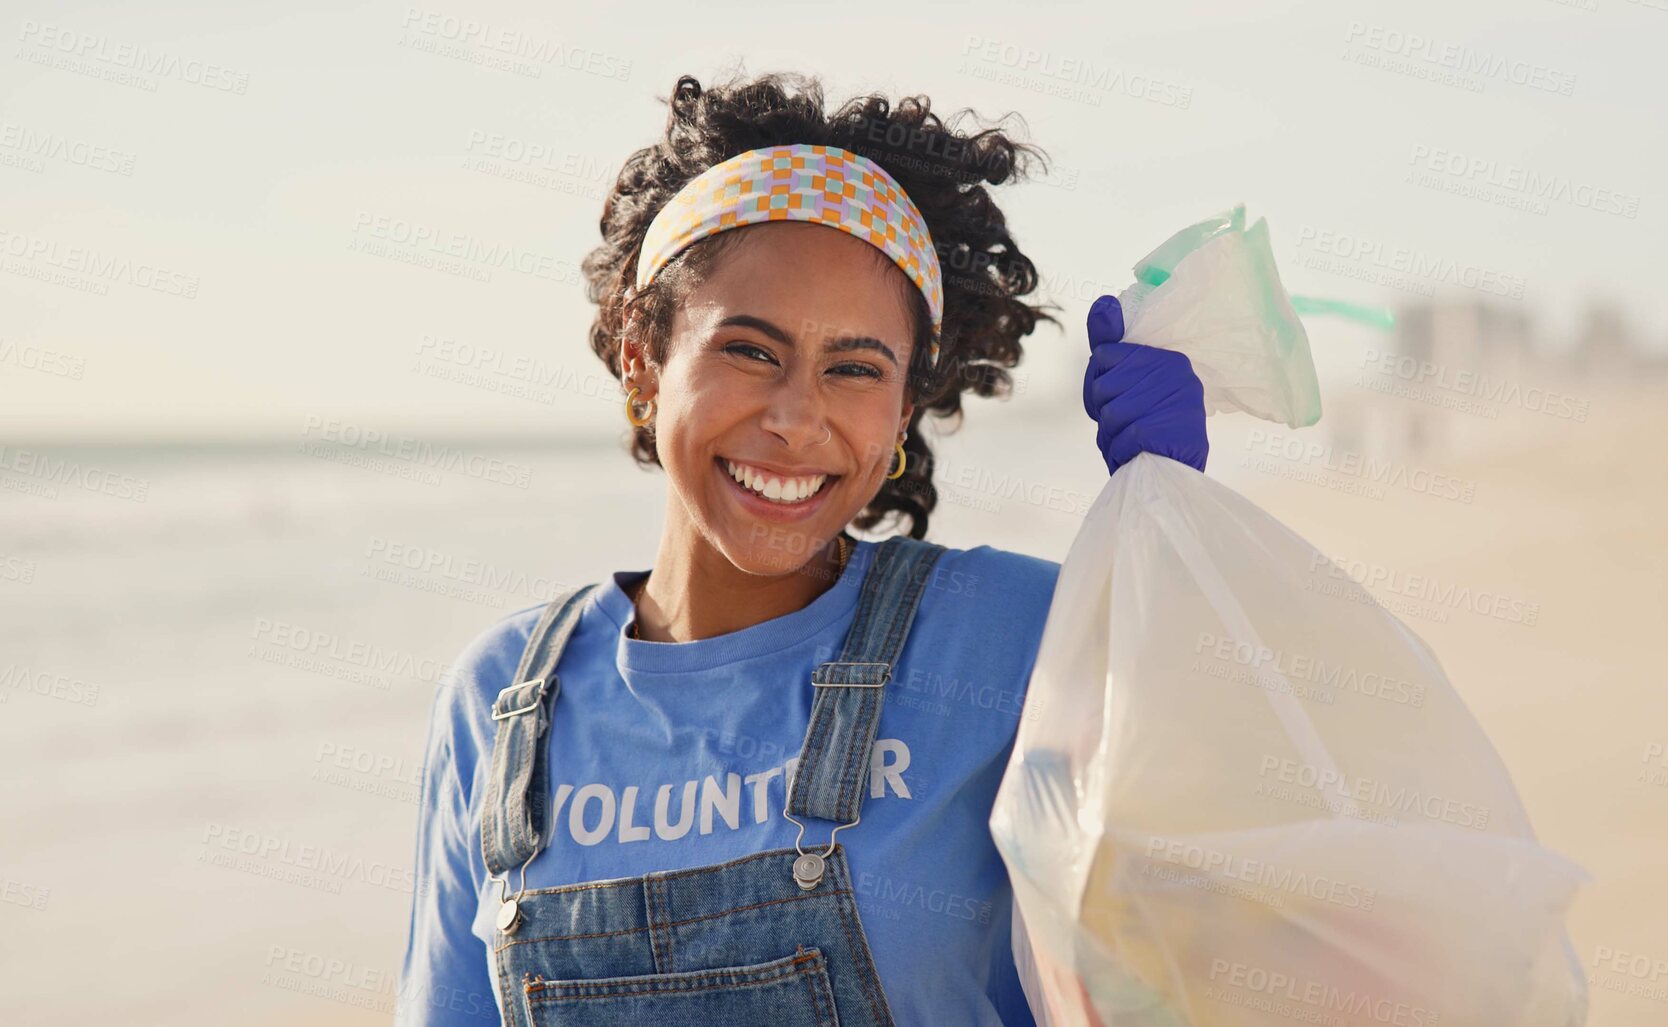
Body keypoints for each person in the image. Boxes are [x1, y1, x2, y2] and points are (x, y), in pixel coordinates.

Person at [395, 70, 1208, 1027]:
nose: (795, 418)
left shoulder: (1013, 637)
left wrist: (1179, 548)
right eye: (748, 350)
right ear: (641, 355)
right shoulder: (498, 704)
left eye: (854, 369)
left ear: (903, 408)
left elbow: (1227, 869)